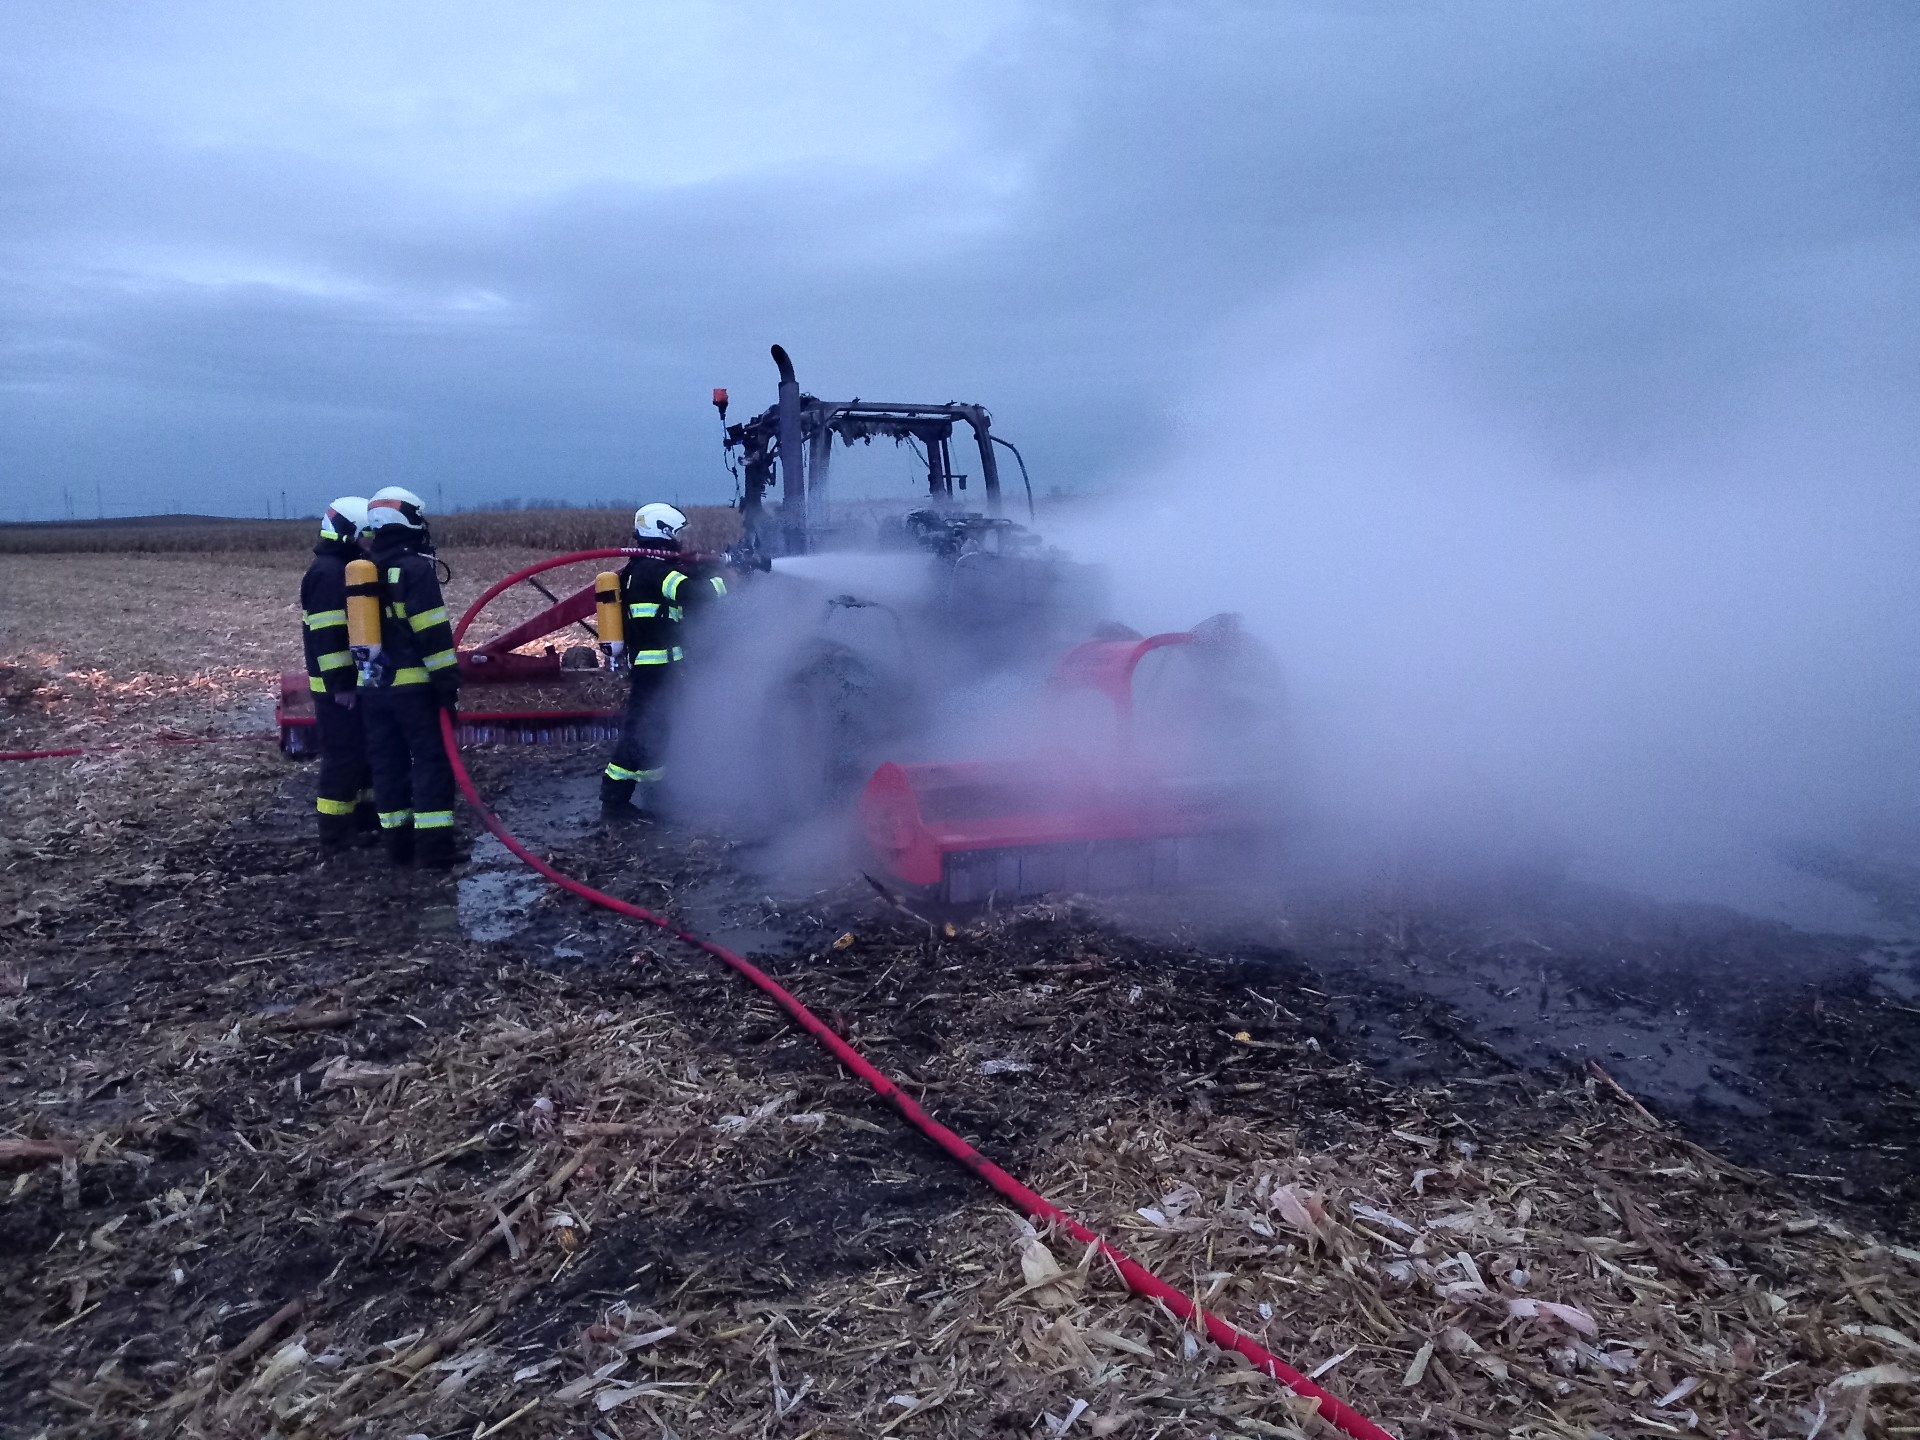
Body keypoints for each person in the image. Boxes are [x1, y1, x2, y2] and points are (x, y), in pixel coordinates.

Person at [359, 485, 462, 867]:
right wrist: (447, 685)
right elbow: (431, 634)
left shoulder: (365, 569)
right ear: (406, 519)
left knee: (389, 765)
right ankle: (435, 851)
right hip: (414, 690)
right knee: (432, 763)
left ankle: (398, 848)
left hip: (373, 688)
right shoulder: (414, 569)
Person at [600, 502, 711, 821]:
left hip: (656, 667)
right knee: (640, 731)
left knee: (657, 729)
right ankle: (614, 800)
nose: (680, 539)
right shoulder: (655, 570)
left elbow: (680, 586)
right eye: (677, 532)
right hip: (654, 667)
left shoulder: (642, 568)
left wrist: (703, 568)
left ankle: (655, 796)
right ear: (663, 530)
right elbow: (695, 595)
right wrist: (727, 580)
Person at [300, 496, 376, 854]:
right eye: (367, 535)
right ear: (349, 533)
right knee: (343, 758)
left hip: (351, 684)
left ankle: (365, 823)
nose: (371, 542)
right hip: (336, 689)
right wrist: (342, 685)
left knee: (363, 754)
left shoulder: (343, 568)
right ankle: (334, 835)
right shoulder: (329, 574)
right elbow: (328, 637)